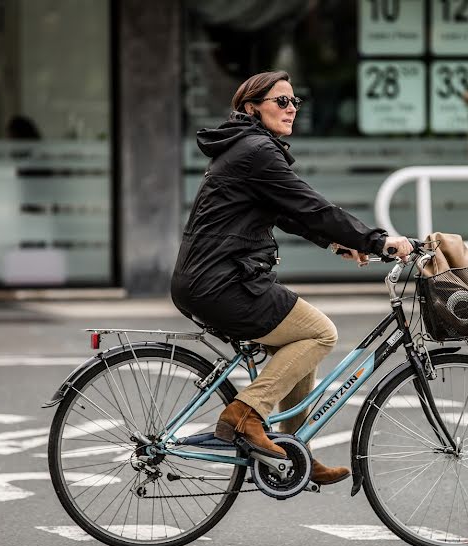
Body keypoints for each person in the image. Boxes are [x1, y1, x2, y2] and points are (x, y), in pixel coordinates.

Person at [171, 71, 412, 485]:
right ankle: (245, 414)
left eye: (295, 102)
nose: (291, 109)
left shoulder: (246, 148)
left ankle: (292, 447)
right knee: (320, 333)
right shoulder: (256, 150)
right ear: (252, 108)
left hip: (215, 278)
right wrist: (378, 241)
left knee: (298, 340)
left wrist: (339, 244)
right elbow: (312, 207)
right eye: (281, 101)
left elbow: (287, 212)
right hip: (221, 281)